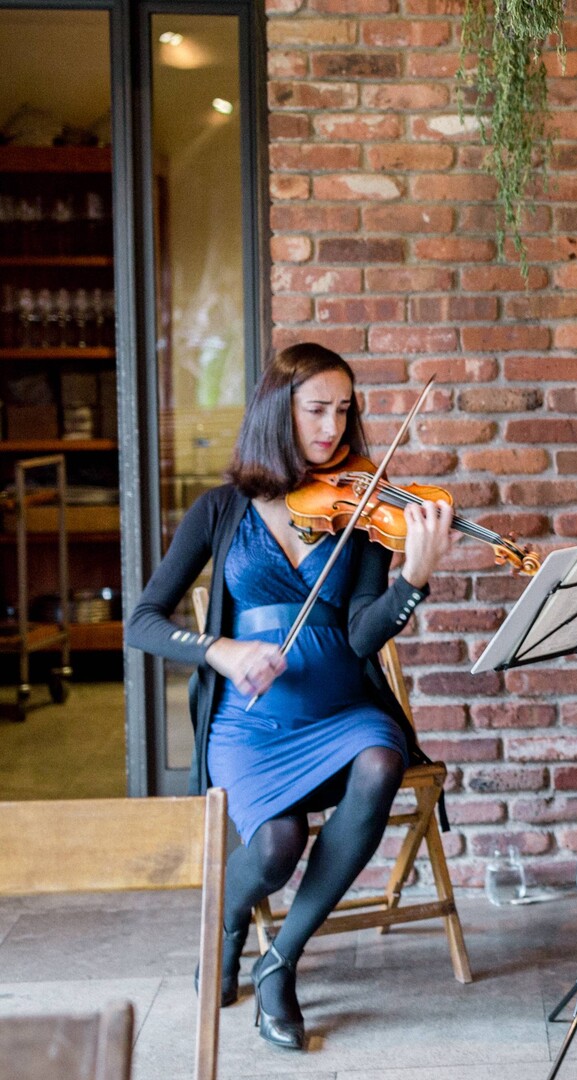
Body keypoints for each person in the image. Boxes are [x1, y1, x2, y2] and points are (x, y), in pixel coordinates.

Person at [127, 343, 455, 1051]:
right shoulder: (221, 509)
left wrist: (413, 581)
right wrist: (219, 649)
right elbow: (142, 622)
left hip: (342, 713)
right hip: (250, 724)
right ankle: (228, 923)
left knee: (381, 760)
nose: (332, 427)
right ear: (279, 411)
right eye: (316, 410)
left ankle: (281, 959)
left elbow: (363, 634)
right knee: (277, 844)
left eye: (343, 410)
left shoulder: (363, 508)